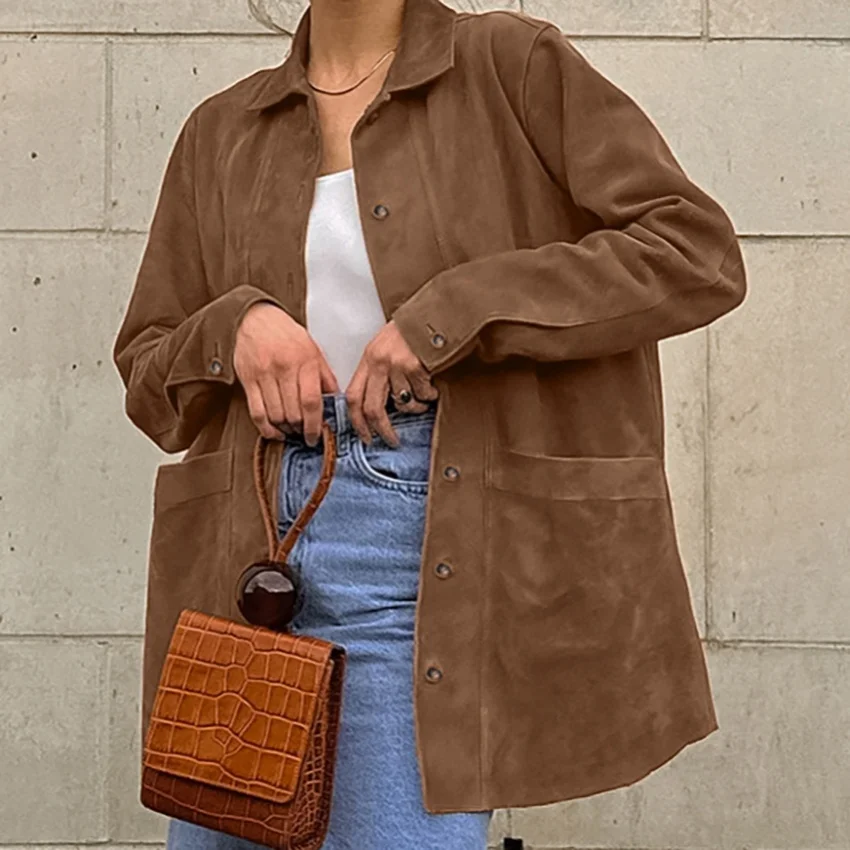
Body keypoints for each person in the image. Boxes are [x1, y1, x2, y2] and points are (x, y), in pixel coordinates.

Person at [112, 0, 748, 848]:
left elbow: (692, 251)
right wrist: (230, 327)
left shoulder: (508, 66)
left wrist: (454, 314)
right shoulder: (221, 130)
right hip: (247, 558)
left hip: (420, 543)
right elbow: (148, 376)